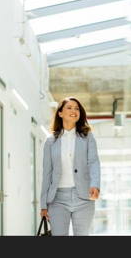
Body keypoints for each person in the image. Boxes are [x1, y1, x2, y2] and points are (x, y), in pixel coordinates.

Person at [40, 97, 101, 236]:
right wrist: (43, 204)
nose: (74, 110)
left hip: (84, 197)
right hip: (57, 199)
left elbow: (94, 162)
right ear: (60, 113)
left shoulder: (87, 137)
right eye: (69, 107)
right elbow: (47, 174)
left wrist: (95, 185)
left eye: (77, 108)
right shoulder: (50, 142)